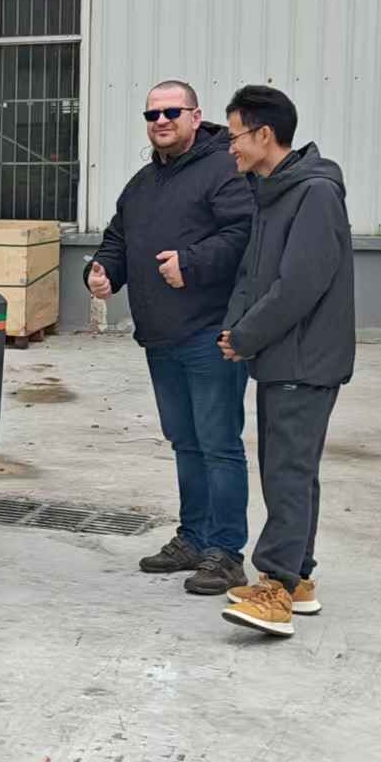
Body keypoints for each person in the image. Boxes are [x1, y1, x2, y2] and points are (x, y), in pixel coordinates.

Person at [87, 79, 256, 596]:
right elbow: (118, 238)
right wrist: (103, 271)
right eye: (152, 114)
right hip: (161, 336)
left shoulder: (224, 169)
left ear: (195, 116)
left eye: (171, 112)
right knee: (185, 441)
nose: (160, 121)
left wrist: (192, 262)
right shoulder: (142, 184)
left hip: (210, 333)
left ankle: (226, 552)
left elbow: (244, 233)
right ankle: (194, 537)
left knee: (218, 444)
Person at [214, 85, 354, 638]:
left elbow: (300, 284)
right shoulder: (273, 192)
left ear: (265, 134)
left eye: (235, 136)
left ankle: (274, 588)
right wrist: (237, 329)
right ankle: (299, 580)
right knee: (292, 469)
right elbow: (255, 274)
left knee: (287, 473)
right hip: (283, 355)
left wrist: (248, 335)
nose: (231, 147)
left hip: (304, 358)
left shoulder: (314, 194)